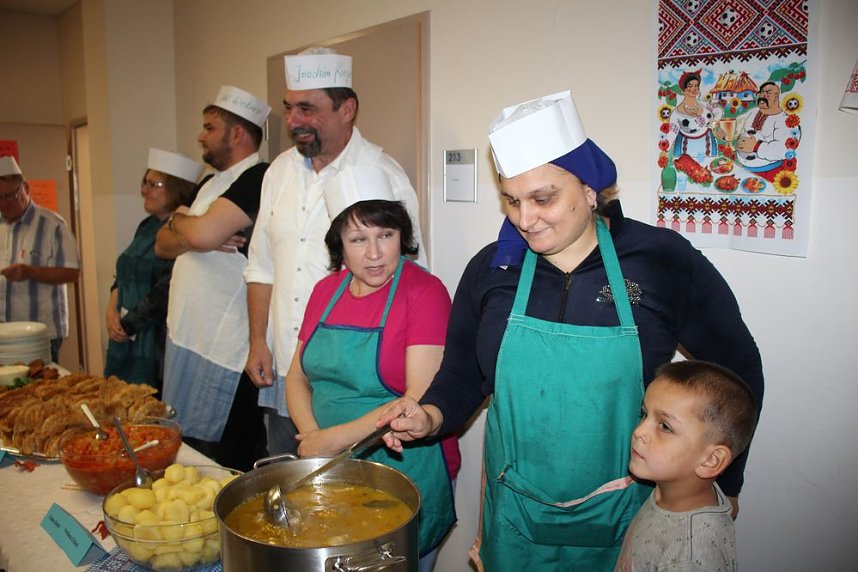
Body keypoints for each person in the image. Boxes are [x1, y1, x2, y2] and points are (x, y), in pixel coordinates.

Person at [378, 90, 764, 570]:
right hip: (515, 515)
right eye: (512, 201)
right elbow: (461, 375)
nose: (524, 219)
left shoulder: (660, 260)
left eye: (543, 199)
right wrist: (430, 416)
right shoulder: (492, 270)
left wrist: (726, 483)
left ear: (588, 189)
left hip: (627, 515)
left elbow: (738, 370)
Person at [244, 47, 426, 456]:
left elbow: (410, 279)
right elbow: (261, 266)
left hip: (359, 385)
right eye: (289, 108)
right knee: (290, 491)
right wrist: (259, 340)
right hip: (286, 374)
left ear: (347, 109)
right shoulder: (278, 173)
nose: (293, 121)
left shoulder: (386, 176)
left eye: (307, 109)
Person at [285, 165, 458, 570]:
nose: (375, 253)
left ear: (402, 236)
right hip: (330, 469)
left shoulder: (424, 292)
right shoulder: (325, 291)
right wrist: (312, 436)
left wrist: (330, 442)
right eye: (358, 239)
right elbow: (296, 376)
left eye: (386, 236)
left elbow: (413, 402)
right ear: (339, 245)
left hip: (401, 471)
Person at [155, 85, 270, 472]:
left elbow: (200, 236)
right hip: (189, 337)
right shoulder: (209, 183)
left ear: (236, 134)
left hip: (228, 348)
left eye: (209, 127)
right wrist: (188, 227)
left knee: (222, 461)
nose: (200, 136)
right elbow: (163, 245)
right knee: (185, 449)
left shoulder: (257, 177)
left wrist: (191, 231)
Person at [614, 360, 758, 572]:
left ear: (711, 461)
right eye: (644, 414)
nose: (639, 432)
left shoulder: (689, 558)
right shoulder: (673, 490)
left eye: (664, 426)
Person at [104, 148, 202, 394]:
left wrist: (129, 325)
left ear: (176, 189)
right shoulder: (146, 226)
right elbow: (125, 272)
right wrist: (112, 306)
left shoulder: (182, 232)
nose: (144, 190)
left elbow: (166, 290)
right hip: (125, 334)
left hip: (155, 340)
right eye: (144, 182)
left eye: (153, 184)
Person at [0, 155, 80, 363]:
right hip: (3, 334)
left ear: (26, 188)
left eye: (10, 196)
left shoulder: (52, 225)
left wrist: (30, 272)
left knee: (38, 391)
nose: (5, 203)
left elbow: (72, 273)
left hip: (39, 335)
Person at [732, 81, 797, 182]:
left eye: (768, 93)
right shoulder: (753, 112)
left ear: (776, 96)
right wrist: (726, 134)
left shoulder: (785, 121)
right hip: (743, 169)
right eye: (761, 92)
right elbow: (736, 128)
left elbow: (784, 150)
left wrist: (756, 147)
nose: (763, 96)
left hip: (768, 173)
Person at [669, 70, 723, 161]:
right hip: (684, 147)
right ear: (684, 89)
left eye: (696, 86)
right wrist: (664, 151)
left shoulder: (704, 105)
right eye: (690, 86)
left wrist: (715, 127)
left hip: (708, 143)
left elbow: (718, 111)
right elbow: (671, 133)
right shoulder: (676, 113)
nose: (694, 89)